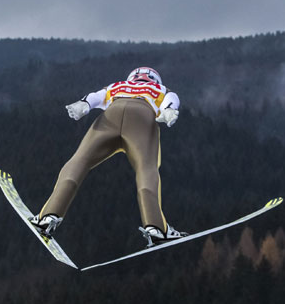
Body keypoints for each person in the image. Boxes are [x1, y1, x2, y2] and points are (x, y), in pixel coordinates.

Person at [30, 66, 186, 245]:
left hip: (111, 115)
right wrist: (168, 110)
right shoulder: (160, 89)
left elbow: (96, 96)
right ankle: (155, 226)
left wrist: (84, 104)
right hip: (142, 117)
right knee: (146, 168)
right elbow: (171, 99)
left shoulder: (119, 85)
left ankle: (49, 215)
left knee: (80, 160)